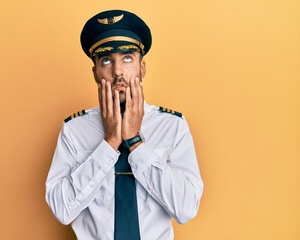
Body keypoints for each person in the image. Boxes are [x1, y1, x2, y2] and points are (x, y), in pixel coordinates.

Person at [45, 9, 203, 240]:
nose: (117, 71)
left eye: (127, 58)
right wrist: (109, 144)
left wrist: (135, 142)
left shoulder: (172, 127)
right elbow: (62, 209)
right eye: (106, 60)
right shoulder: (74, 130)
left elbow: (186, 209)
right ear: (95, 73)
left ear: (142, 68)